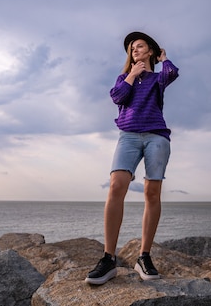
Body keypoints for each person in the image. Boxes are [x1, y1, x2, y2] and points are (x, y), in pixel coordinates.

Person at [85, 31, 180, 285]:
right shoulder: (124, 78)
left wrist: (164, 58)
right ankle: (108, 258)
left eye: (140, 46)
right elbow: (117, 97)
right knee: (116, 186)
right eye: (131, 48)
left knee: (152, 193)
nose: (135, 50)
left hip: (156, 136)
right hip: (128, 135)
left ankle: (144, 257)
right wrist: (132, 74)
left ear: (150, 51)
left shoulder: (158, 78)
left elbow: (171, 73)